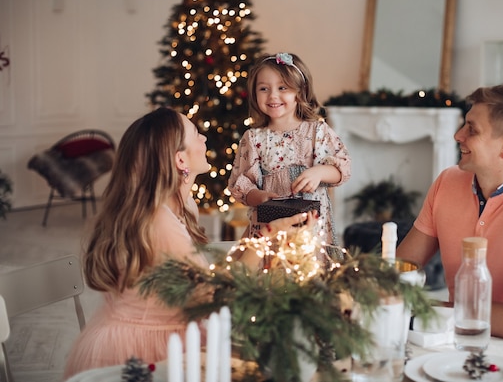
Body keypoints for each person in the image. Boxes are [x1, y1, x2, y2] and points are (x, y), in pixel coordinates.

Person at [63, 107, 317, 379]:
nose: (204, 139)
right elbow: (215, 297)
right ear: (180, 159)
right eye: (196, 134)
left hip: (167, 334)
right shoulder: (158, 221)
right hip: (142, 352)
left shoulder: (182, 205)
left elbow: (206, 281)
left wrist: (268, 231)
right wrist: (269, 236)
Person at [396, 84, 503, 342]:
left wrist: (436, 311)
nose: (458, 135)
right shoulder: (447, 182)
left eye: (472, 129)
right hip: (456, 340)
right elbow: (400, 267)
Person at [228, 52, 351, 246]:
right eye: (263, 88)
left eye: (282, 87)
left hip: (312, 231)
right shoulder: (253, 138)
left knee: (307, 272)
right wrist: (258, 197)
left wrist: (319, 172)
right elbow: (241, 184)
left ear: (300, 92)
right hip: (271, 230)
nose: (272, 95)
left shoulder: (317, 131)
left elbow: (342, 168)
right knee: (273, 271)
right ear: (254, 94)